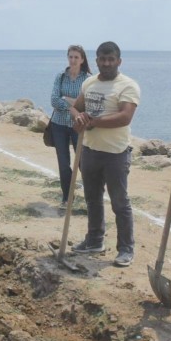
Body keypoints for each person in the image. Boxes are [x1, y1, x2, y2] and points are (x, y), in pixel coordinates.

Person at [69, 41, 140, 267]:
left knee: (120, 202)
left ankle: (126, 248)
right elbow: (76, 107)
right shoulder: (89, 82)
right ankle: (94, 240)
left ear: (119, 61)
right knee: (92, 198)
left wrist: (92, 122)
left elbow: (125, 117)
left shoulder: (127, 85)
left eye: (111, 60)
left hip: (116, 153)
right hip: (89, 150)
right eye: (103, 59)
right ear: (97, 60)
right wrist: (78, 117)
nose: (107, 63)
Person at [50, 45, 91, 209]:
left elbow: (89, 102)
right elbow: (53, 100)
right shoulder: (60, 77)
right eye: (70, 57)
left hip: (78, 126)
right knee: (63, 163)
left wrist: (67, 99)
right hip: (58, 124)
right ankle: (67, 198)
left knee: (83, 163)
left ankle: (90, 199)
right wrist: (73, 106)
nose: (73, 60)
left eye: (76, 57)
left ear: (82, 59)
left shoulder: (88, 79)